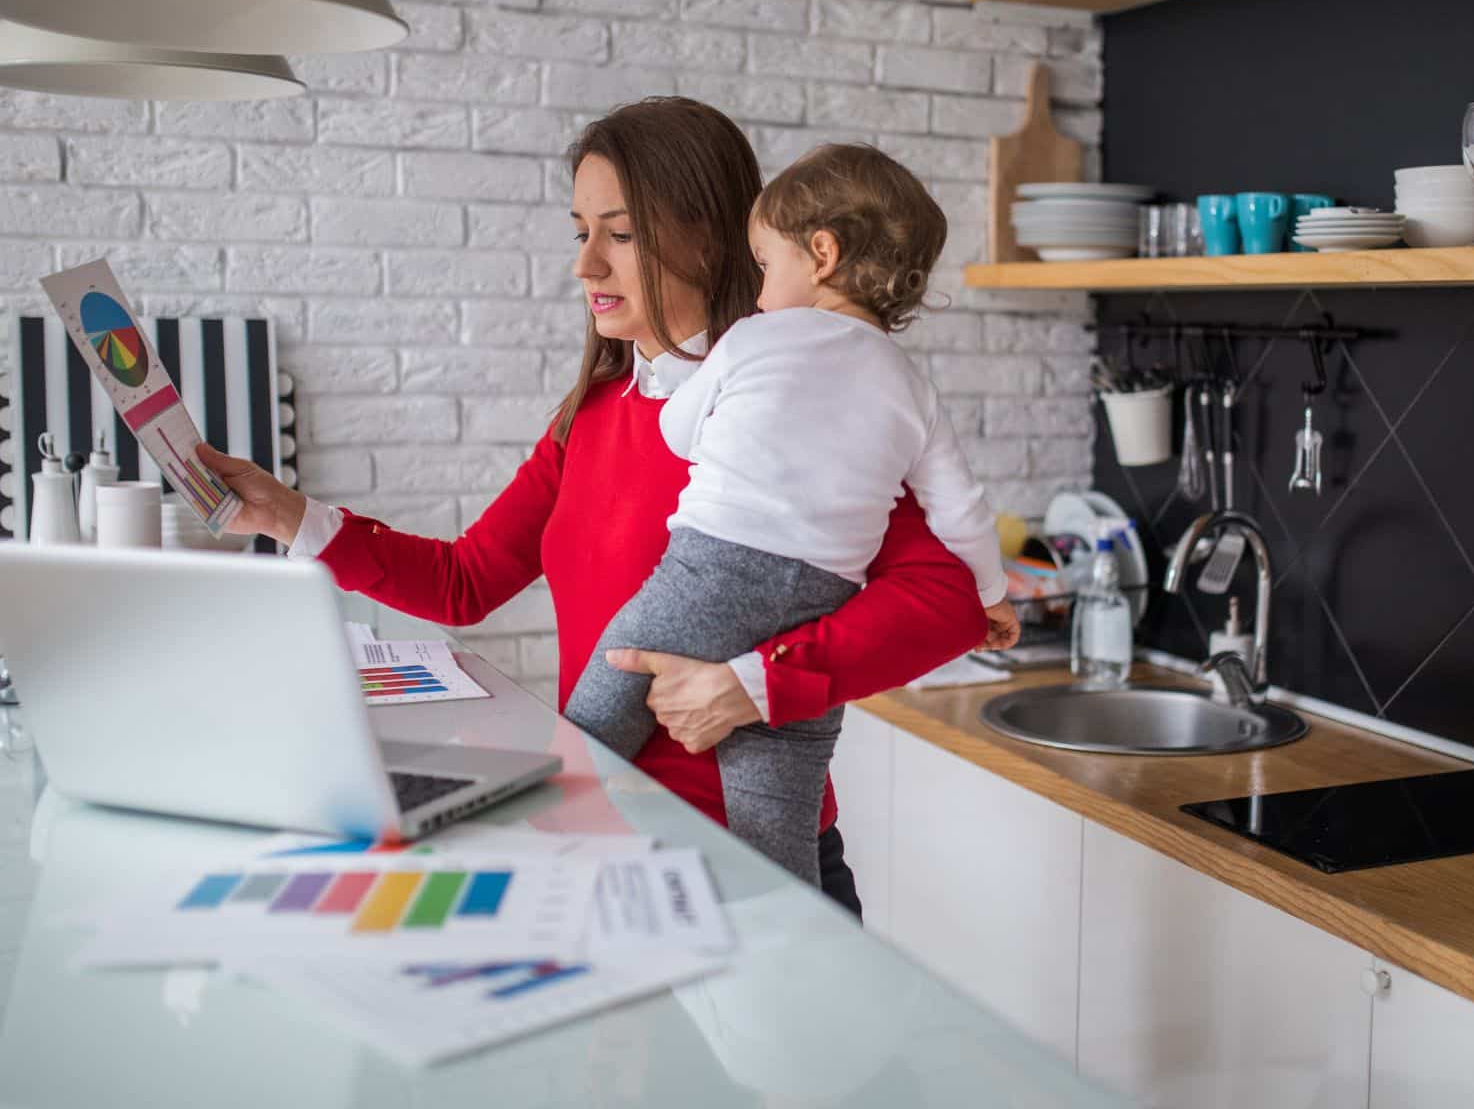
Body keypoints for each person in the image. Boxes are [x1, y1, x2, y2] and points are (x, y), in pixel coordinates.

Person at [197, 97, 986, 916]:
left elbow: (952, 601)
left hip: (757, 869)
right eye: (582, 232)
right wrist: (288, 516)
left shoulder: (800, 415)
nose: (587, 266)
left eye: (622, 232)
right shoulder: (595, 415)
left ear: (710, 235)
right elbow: (462, 582)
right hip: (611, 851)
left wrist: (761, 685)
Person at [562, 143, 1020, 885]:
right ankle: (795, 944)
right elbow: (962, 512)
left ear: (822, 254)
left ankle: (543, 843)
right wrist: (993, 598)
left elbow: (677, 432)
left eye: (766, 265)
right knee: (779, 822)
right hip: (817, 603)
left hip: (712, 576)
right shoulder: (911, 387)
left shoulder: (753, 338)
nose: (760, 285)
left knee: (598, 714)